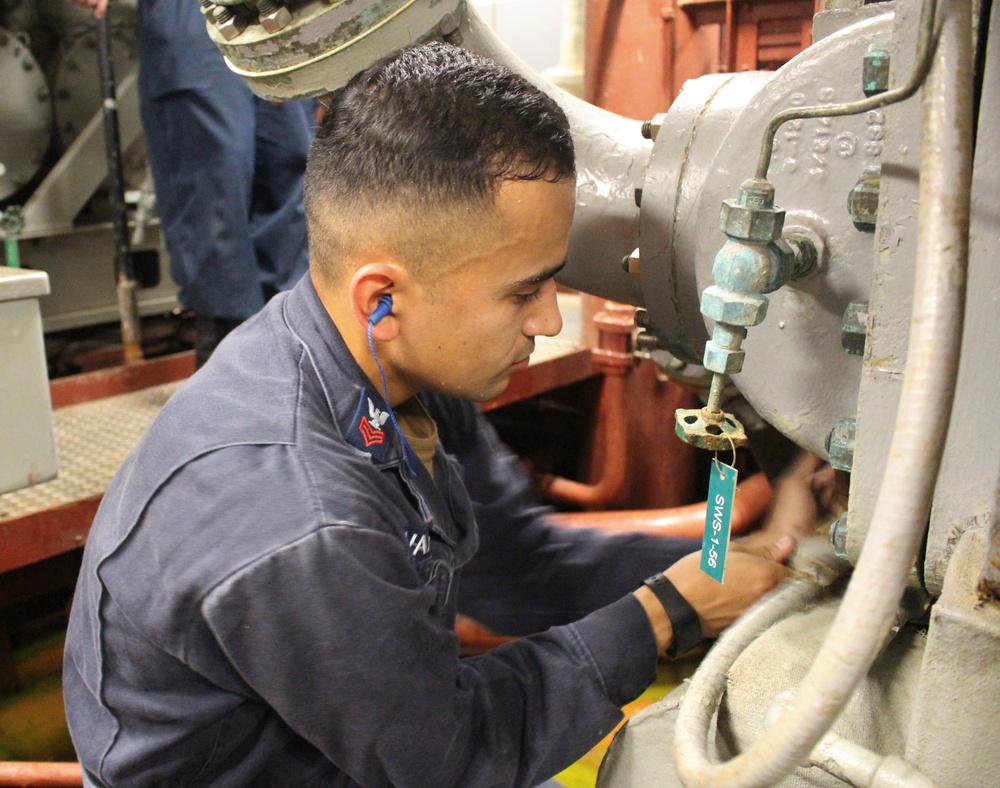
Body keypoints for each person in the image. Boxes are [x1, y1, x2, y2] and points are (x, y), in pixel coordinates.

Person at [64, 43, 824, 787]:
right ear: (382, 299)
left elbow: (521, 569)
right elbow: (452, 761)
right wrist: (662, 615)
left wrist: (745, 550)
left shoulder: (386, 367)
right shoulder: (301, 515)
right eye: (523, 292)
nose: (547, 320)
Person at [71, 0, 314, 366]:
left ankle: (295, 354)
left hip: (282, 13)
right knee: (213, 186)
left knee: (289, 163)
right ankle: (228, 373)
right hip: (191, 11)